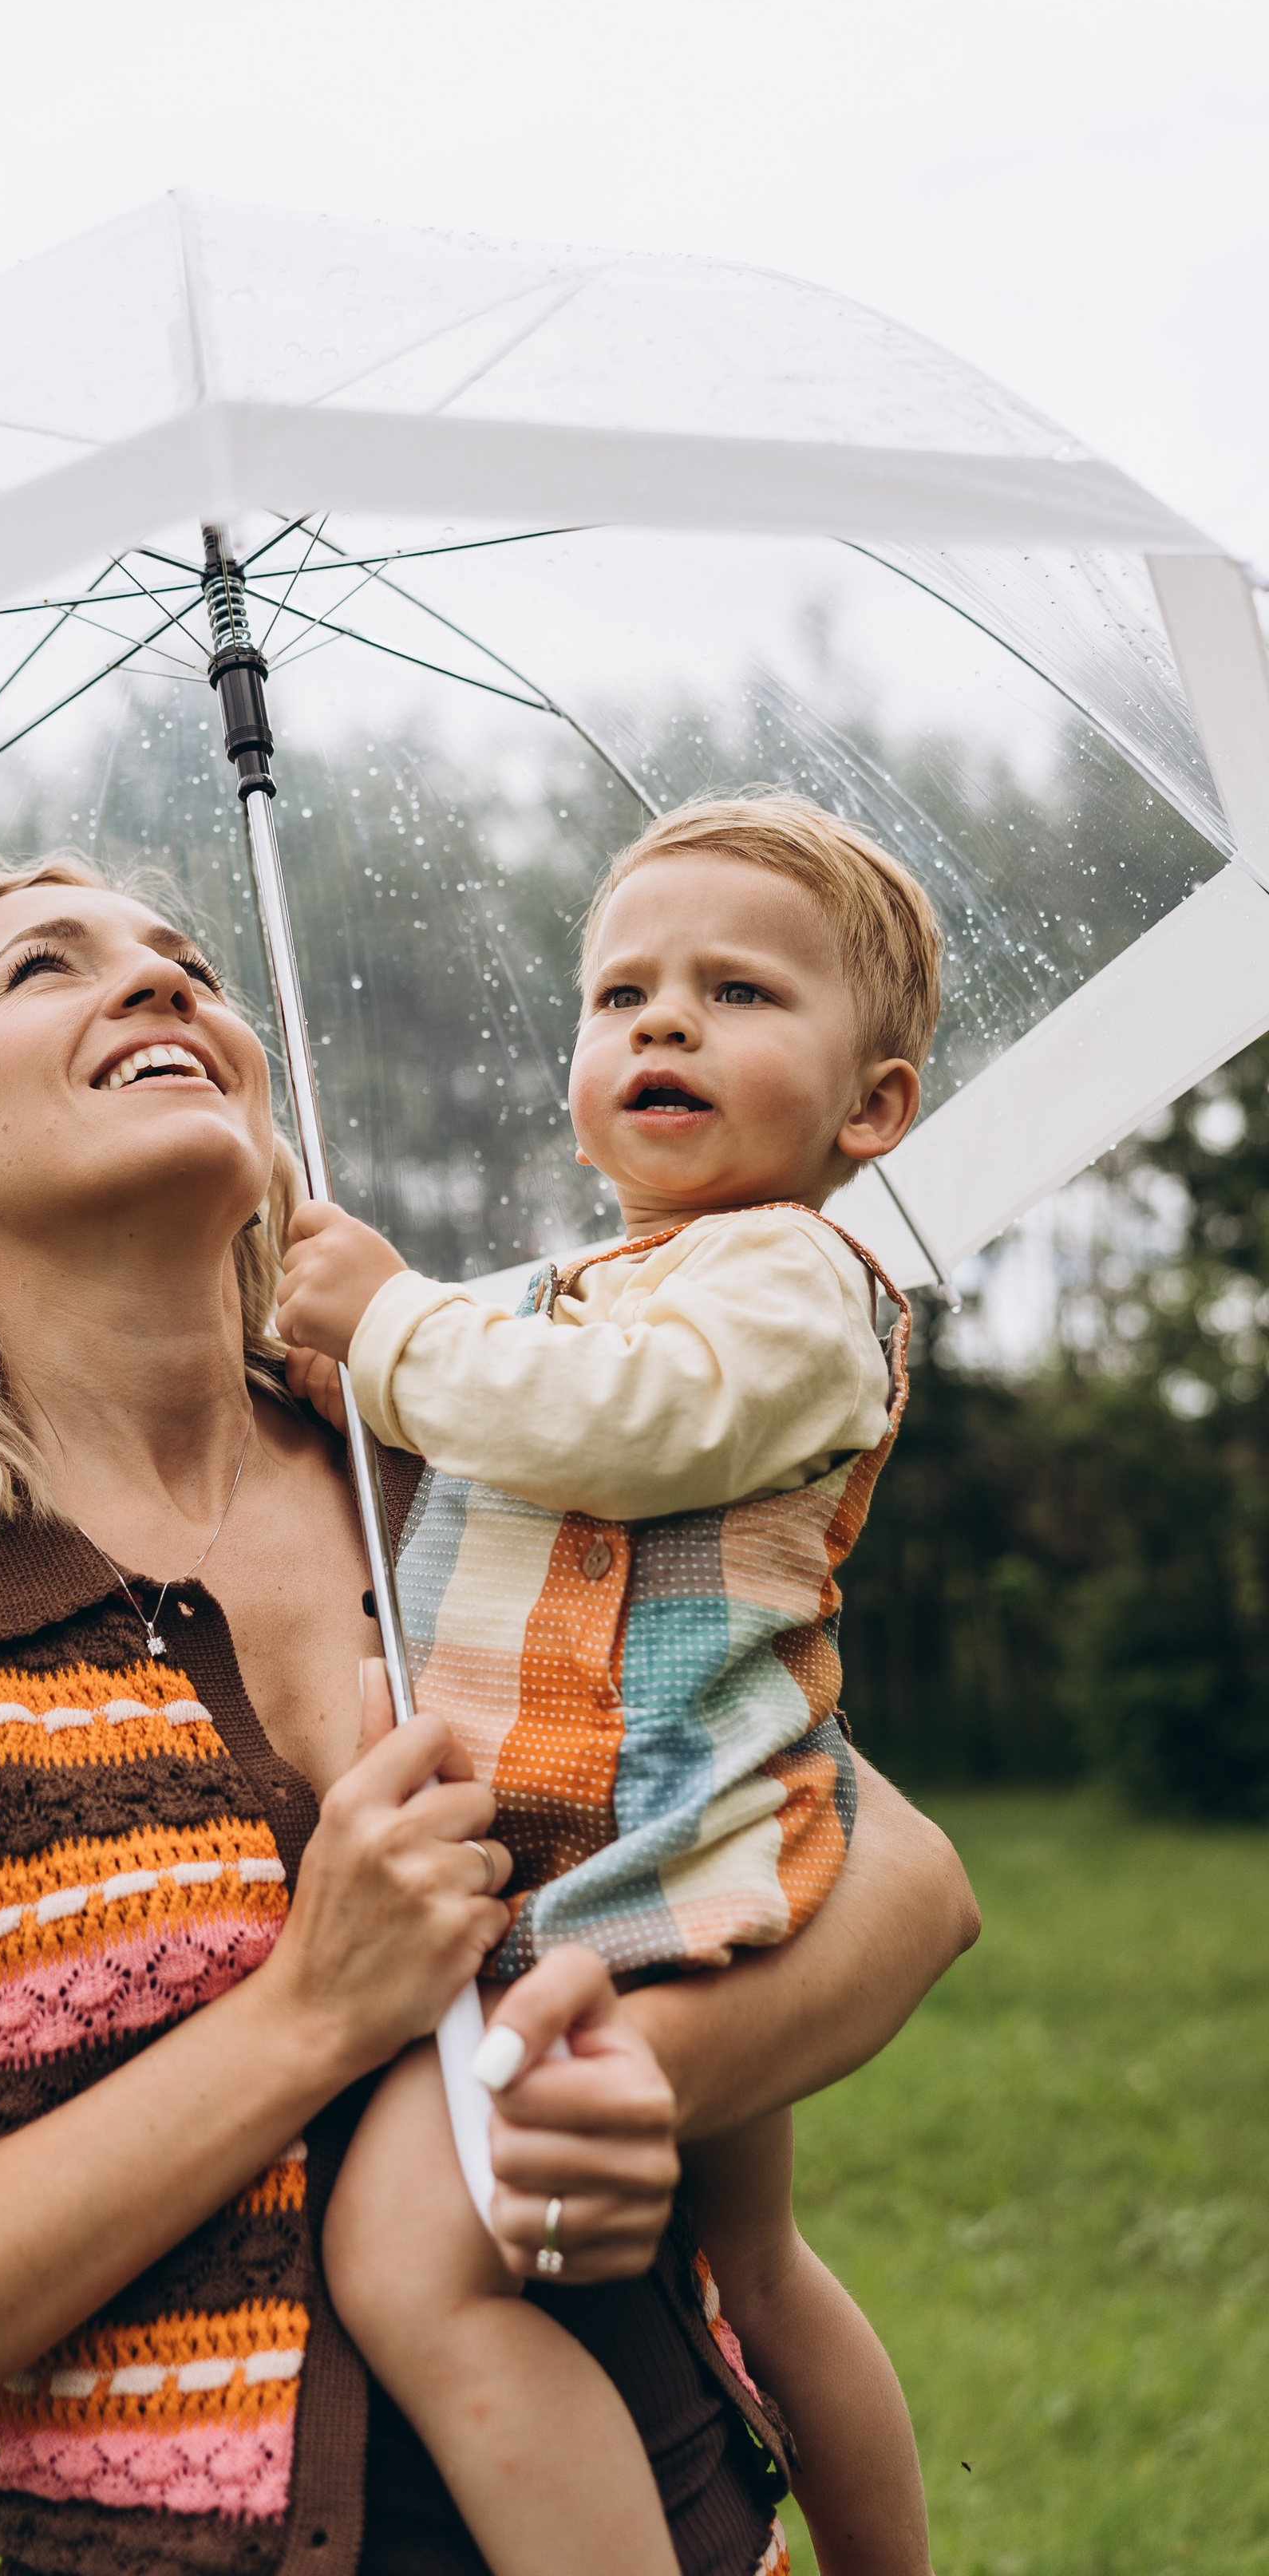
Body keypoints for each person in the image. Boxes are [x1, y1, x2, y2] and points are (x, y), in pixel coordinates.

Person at [0, 849, 978, 2576]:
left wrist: (627, 2078)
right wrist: (307, 2014)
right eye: (46, 966)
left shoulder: (474, 1459)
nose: (157, 984)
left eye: (186, 963)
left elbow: (894, 1876)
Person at [276, 796, 944, 2576]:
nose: (660, 1024)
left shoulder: (791, 1279)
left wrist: (397, 1323)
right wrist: (355, 1342)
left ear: (867, 1108)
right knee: (754, 2260)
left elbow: (625, 1429)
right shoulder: (583, 1285)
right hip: (641, 1845)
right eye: (619, 994)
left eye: (736, 993)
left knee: (416, 2253)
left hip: (651, 1860)